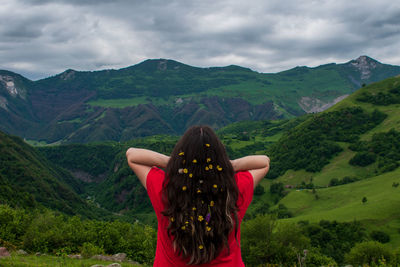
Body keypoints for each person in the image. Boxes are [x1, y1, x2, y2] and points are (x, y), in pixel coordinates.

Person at [126, 125, 270, 266]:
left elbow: (132, 155)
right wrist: (226, 165)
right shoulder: (234, 189)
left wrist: (175, 163)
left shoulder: (166, 188)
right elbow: (264, 162)